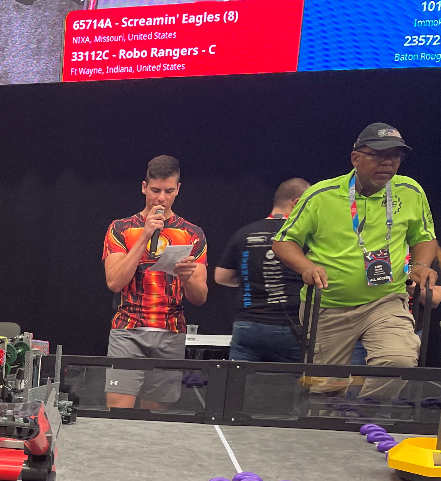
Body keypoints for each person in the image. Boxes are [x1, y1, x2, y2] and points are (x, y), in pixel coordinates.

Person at [273, 124, 438, 386]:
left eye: (395, 156)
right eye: (378, 155)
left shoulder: (411, 191)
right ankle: (338, 409)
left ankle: (369, 410)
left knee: (399, 362)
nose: (387, 162)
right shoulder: (320, 195)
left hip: (385, 299)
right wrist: (306, 267)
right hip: (329, 304)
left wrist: (420, 264)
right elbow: (284, 241)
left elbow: (424, 236)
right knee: (324, 388)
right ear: (355, 158)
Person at [102, 155, 208, 409]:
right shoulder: (121, 228)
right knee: (117, 413)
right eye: (155, 190)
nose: (161, 198)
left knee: (156, 419)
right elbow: (114, 282)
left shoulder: (192, 233)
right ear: (144, 187)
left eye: (168, 191)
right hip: (128, 330)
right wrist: (145, 235)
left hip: (170, 331)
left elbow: (200, 297)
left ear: (178, 189)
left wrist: (186, 277)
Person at [214, 178, 310, 363]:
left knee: (239, 380)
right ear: (296, 203)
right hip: (289, 325)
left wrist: (251, 278)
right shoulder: (301, 236)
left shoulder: (244, 233)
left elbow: (221, 276)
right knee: (292, 381)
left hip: (247, 325)